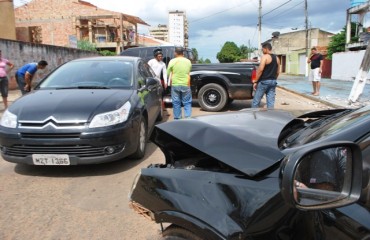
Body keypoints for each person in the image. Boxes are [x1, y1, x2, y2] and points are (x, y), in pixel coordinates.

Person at [252, 42, 280, 109]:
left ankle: (253, 116)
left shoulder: (265, 57)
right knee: (270, 102)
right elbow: (278, 72)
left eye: (262, 49)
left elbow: (260, 70)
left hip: (264, 81)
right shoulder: (277, 58)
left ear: (266, 49)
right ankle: (270, 117)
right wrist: (273, 79)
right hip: (273, 81)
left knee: (256, 101)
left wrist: (255, 81)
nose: (262, 51)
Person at [167, 47, 192, 119]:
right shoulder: (188, 61)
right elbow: (188, 71)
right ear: (183, 53)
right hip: (186, 84)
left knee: (176, 103)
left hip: (175, 84)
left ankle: (178, 119)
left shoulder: (172, 61)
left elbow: (168, 73)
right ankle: (188, 119)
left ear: (175, 53)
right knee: (187, 102)